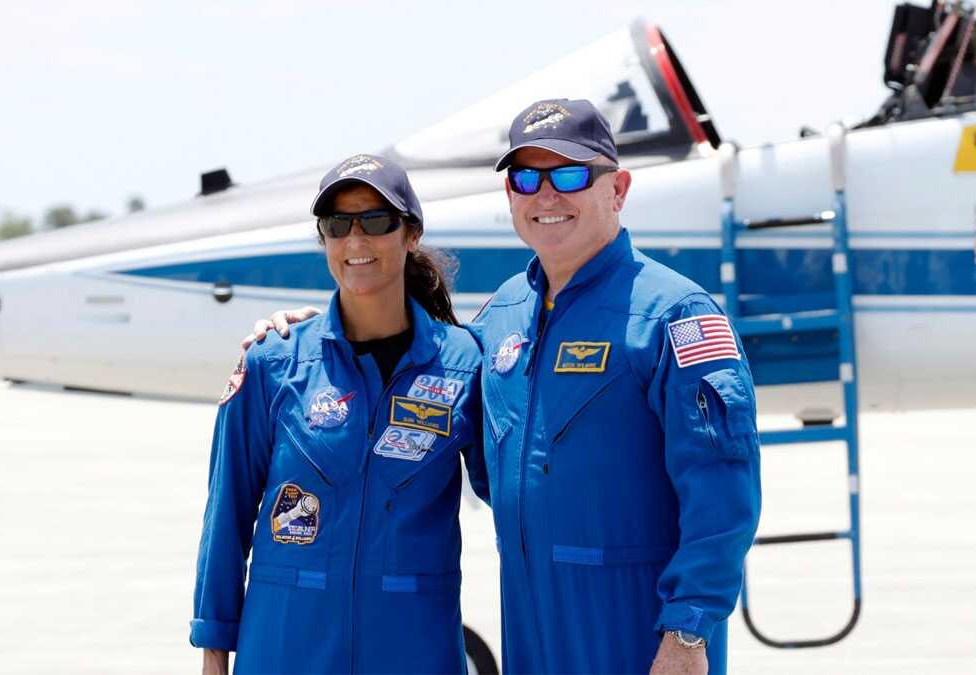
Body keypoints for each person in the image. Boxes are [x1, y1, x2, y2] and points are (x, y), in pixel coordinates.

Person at [250, 100, 761, 675]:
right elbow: (419, 372)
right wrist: (313, 332)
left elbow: (723, 494)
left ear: (617, 189)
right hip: (532, 627)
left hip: (639, 631)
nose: (546, 195)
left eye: (569, 174)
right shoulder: (500, 319)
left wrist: (689, 633)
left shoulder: (674, 317)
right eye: (525, 178)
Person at [190, 153, 489, 674]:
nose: (355, 241)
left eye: (376, 221)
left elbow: (520, 502)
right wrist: (214, 650)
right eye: (337, 224)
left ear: (411, 233)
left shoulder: (465, 364)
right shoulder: (273, 361)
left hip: (411, 647)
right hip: (286, 646)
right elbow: (227, 515)